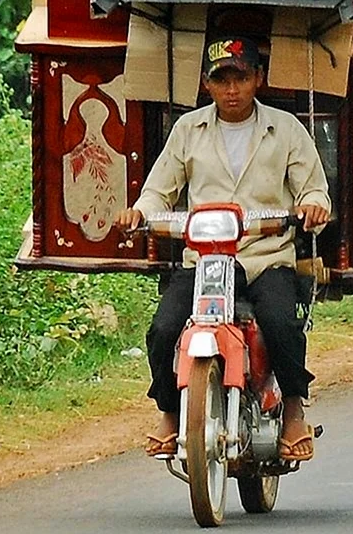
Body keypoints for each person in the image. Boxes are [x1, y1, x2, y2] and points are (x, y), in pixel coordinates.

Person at [115, 36, 331, 462]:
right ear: (206, 84)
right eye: (222, 79)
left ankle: (292, 409)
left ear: (258, 80)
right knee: (163, 329)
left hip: (265, 258)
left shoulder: (286, 129)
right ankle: (172, 412)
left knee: (281, 322)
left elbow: (315, 189)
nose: (232, 89)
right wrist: (139, 214)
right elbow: (158, 191)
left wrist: (312, 207)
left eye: (241, 77)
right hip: (206, 261)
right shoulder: (187, 130)